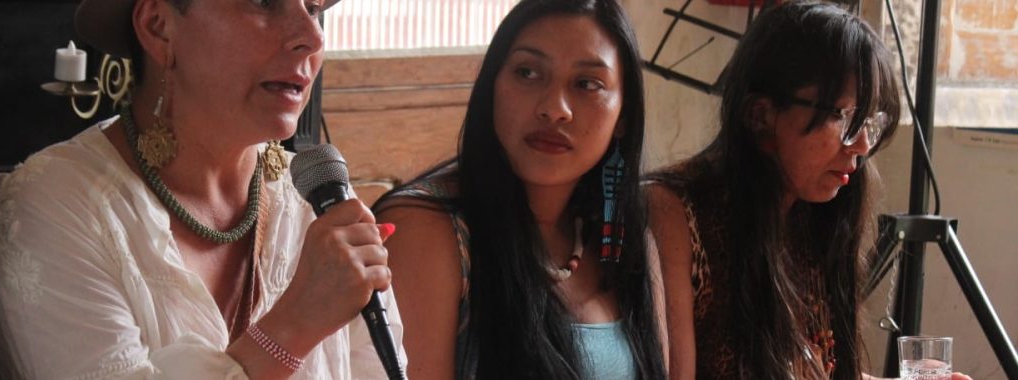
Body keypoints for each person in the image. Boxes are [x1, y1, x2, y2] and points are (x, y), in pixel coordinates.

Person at [0, 0, 406, 378]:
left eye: (313, 8)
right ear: (159, 26)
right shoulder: (58, 205)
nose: (310, 37)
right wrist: (294, 325)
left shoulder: (316, 199)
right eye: (264, 0)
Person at [645, 2, 970, 380]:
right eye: (844, 117)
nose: (863, 145)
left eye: (871, 122)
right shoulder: (674, 212)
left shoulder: (814, 210)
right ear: (761, 116)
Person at [373, 0, 665, 379]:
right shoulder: (426, 232)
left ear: (623, 115)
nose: (555, 108)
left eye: (587, 84)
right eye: (528, 73)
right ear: (491, 85)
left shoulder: (624, 235)